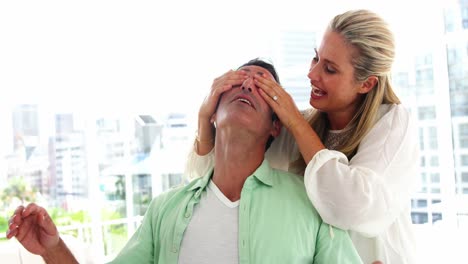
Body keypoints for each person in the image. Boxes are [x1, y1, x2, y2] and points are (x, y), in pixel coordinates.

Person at [7, 59, 363, 264]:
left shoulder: (311, 204)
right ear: (211, 111)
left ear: (275, 125)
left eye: (263, 88)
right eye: (237, 81)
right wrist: (53, 249)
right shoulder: (166, 209)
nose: (247, 89)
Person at [186, 9, 419, 264]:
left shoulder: (391, 121)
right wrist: (204, 117)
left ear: (366, 84)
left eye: (329, 69)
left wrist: (294, 120)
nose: (312, 74)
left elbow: (351, 208)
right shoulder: (298, 128)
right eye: (315, 58)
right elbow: (208, 179)